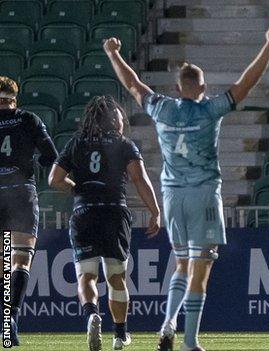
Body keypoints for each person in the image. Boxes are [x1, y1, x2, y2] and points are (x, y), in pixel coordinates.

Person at [104, 26, 269, 351]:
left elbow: (132, 84)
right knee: (200, 272)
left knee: (181, 264)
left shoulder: (162, 108)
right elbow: (246, 84)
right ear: (202, 86)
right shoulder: (210, 109)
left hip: (172, 196)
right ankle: (189, 341)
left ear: (177, 87)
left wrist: (113, 53)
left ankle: (168, 321)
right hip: (203, 196)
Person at [48, 96, 161, 351]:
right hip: (114, 213)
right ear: (114, 120)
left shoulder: (77, 143)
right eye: (120, 118)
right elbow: (139, 178)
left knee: (86, 276)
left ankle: (91, 315)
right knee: (116, 277)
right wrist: (154, 211)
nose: (123, 122)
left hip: (84, 212)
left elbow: (54, 179)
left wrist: (77, 189)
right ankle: (120, 335)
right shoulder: (124, 144)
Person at [0, 76, 58, 346]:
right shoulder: (28, 119)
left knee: (3, 263)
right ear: (15, 98)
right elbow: (51, 157)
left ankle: (3, 318)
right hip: (22, 192)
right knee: (21, 261)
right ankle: (12, 317)